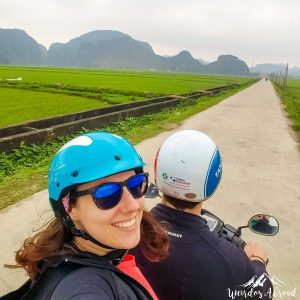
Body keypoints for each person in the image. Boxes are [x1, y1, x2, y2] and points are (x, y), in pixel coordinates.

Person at [4, 132, 168, 299]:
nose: (133, 205)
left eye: (136, 184)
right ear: (70, 208)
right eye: (106, 194)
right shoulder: (82, 290)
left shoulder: (81, 253)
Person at [132, 130, 273, 300]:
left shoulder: (128, 232)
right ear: (214, 178)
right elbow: (262, 293)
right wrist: (258, 260)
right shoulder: (229, 260)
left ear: (157, 171)